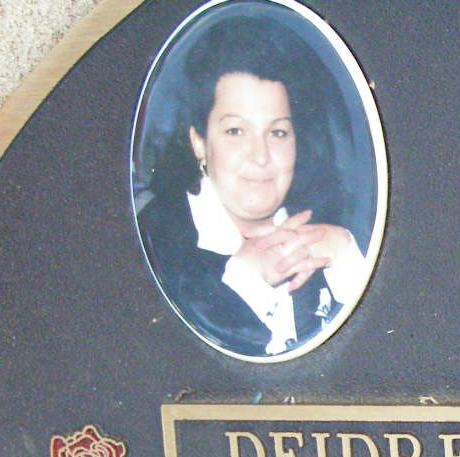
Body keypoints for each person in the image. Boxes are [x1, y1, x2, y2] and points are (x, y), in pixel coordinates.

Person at [136, 14, 367, 359]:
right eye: (235, 131)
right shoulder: (155, 246)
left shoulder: (336, 225)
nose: (260, 156)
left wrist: (348, 259)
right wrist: (244, 282)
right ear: (199, 142)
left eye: (278, 132)